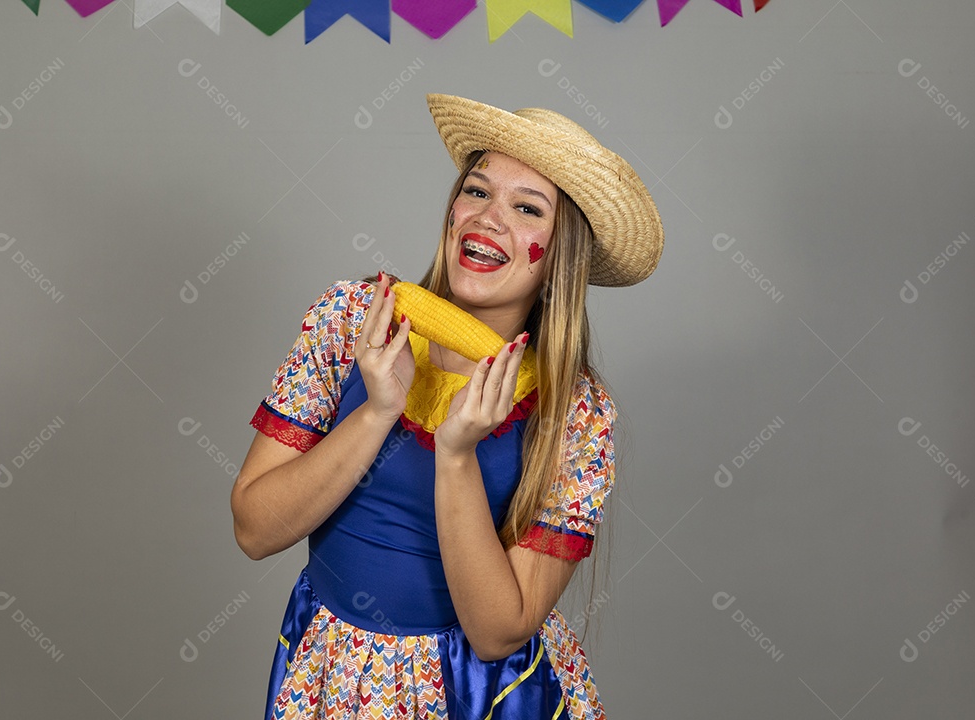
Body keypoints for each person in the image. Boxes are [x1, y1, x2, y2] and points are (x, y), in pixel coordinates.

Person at [230, 93, 664, 720]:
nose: (488, 219)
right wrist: (378, 411)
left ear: (560, 255)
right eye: (477, 191)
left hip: (482, 693)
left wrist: (457, 456)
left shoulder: (578, 415)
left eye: (527, 208)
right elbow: (254, 530)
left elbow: (497, 631)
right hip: (333, 672)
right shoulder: (351, 318)